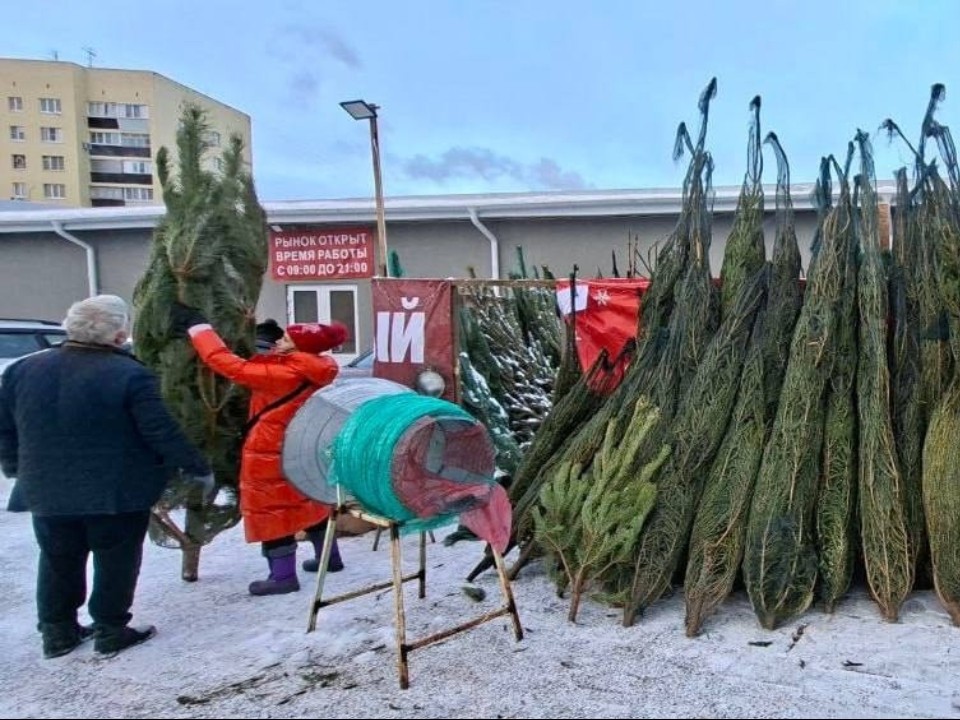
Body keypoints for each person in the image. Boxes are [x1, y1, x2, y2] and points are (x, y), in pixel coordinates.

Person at [0, 295, 213, 659]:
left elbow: (5, 429)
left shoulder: (22, 370)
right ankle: (111, 629)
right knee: (116, 559)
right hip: (116, 491)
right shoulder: (129, 374)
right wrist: (197, 466)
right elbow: (159, 430)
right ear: (117, 334)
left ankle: (57, 632)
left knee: (57, 558)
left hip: (46, 491)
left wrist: (14, 467)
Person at [171, 303, 347, 595]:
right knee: (309, 502)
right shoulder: (312, 368)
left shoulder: (286, 375)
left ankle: (282, 577)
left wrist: (200, 330)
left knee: (272, 510)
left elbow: (228, 364)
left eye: (286, 340)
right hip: (299, 445)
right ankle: (330, 557)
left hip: (271, 450)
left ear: (299, 349)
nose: (279, 341)